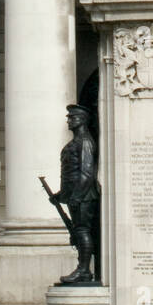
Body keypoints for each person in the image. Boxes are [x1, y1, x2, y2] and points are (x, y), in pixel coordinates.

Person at [48, 104, 99, 285]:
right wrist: (60, 195)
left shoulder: (85, 141)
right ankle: (82, 269)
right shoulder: (76, 142)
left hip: (84, 196)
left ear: (82, 120)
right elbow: (72, 175)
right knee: (78, 232)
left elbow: (86, 174)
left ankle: (84, 270)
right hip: (76, 195)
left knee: (82, 231)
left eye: (73, 117)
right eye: (69, 117)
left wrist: (76, 196)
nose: (69, 120)